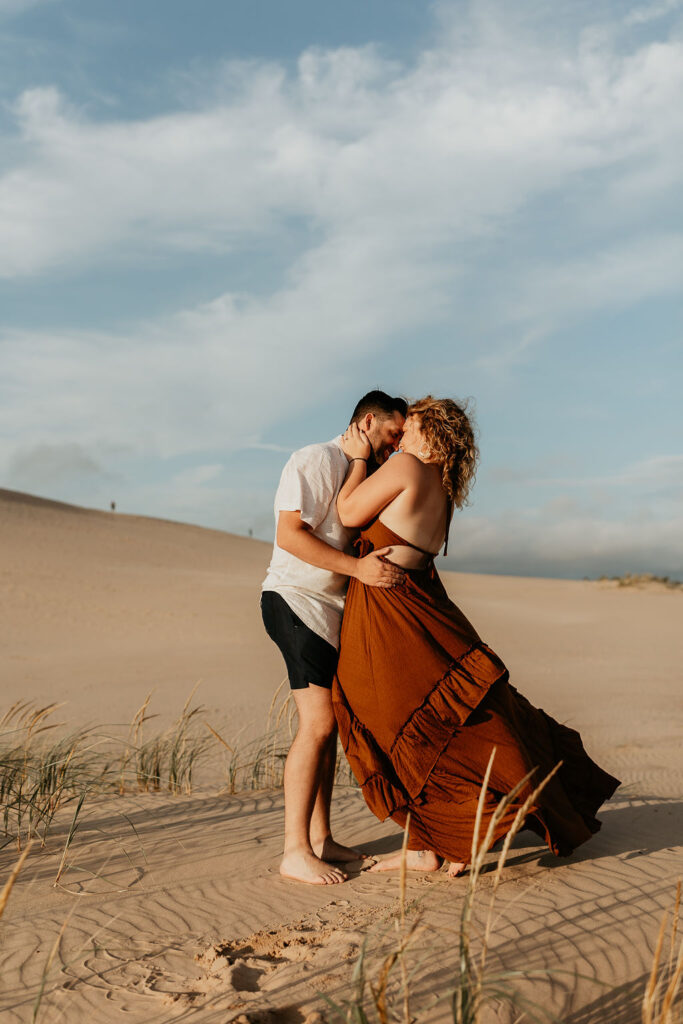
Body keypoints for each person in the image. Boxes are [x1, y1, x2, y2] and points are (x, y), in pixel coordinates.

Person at [332, 396, 621, 876]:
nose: (401, 436)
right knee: (437, 728)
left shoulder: (405, 466)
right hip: (415, 611)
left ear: (434, 435)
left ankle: (442, 841)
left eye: (412, 426)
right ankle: (435, 841)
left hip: (391, 621)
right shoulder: (441, 490)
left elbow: (346, 513)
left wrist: (360, 457)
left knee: (396, 726)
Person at [261, 390, 408, 885]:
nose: (396, 448)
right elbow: (289, 535)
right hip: (294, 600)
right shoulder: (316, 458)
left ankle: (320, 839)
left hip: (330, 612)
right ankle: (294, 850)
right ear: (367, 422)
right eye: (391, 436)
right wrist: (358, 570)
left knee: (329, 729)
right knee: (318, 724)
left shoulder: (360, 472)